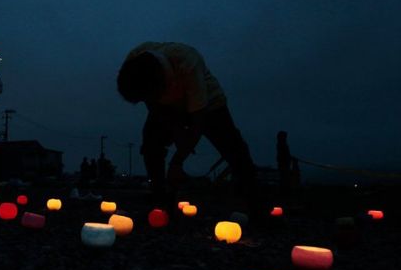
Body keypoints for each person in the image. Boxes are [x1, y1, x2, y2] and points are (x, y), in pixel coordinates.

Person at [117, 42, 262, 217]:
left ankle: (257, 207)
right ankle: (160, 202)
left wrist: (177, 161)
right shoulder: (135, 61)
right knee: (151, 144)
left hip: (209, 106)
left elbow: (198, 122)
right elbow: (151, 103)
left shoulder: (188, 62)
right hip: (165, 108)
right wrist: (175, 128)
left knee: (234, 149)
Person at [276, 130, 292, 196]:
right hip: (284, 164)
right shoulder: (282, 145)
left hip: (283, 164)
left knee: (284, 178)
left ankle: (284, 191)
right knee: (284, 178)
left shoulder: (280, 145)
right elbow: (284, 155)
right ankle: (284, 192)